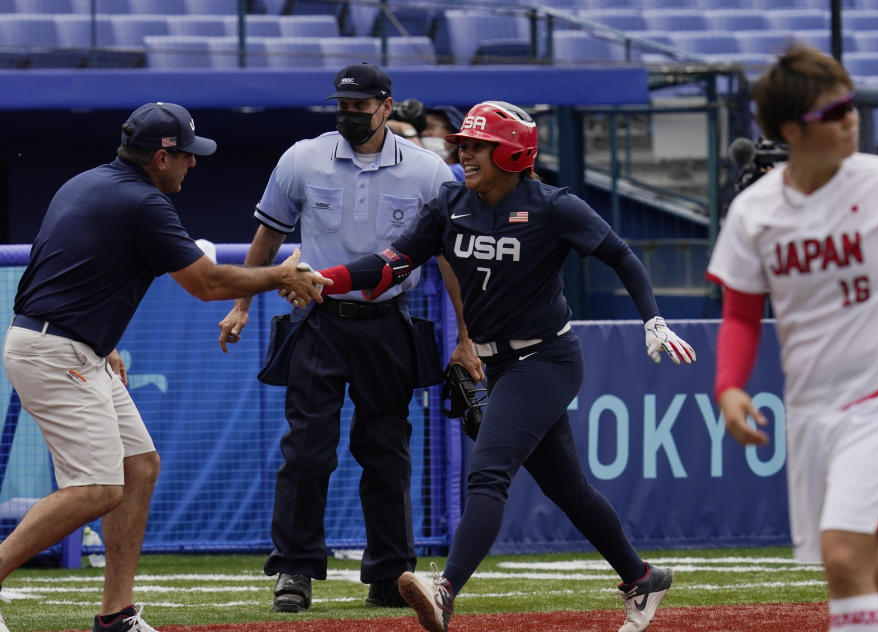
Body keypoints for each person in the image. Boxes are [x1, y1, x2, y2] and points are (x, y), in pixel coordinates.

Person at [308, 100, 697, 632]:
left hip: (547, 358)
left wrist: (652, 320)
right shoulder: (451, 202)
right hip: (499, 362)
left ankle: (445, 591)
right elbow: (392, 262)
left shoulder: (554, 207)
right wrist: (325, 278)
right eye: (463, 144)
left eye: (476, 145)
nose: (463, 153)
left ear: (512, 152)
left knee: (488, 473)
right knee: (570, 491)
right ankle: (641, 578)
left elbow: (622, 255)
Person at [0, 102, 329, 632]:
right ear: (160, 157)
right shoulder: (142, 202)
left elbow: (56, 267)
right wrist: (281, 275)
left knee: (138, 467)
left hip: (67, 343)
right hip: (54, 349)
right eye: (186, 155)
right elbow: (208, 285)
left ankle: (116, 615)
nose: (192, 164)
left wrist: (102, 341)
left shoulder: (89, 182)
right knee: (97, 489)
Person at [707, 46, 878, 632]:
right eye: (835, 111)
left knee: (842, 558)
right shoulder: (754, 212)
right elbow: (742, 316)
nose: (852, 118)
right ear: (792, 130)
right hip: (812, 410)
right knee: (867, 566)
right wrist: (729, 387)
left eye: (851, 104)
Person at [216, 62, 479, 613]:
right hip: (318, 319)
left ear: (386, 105)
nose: (349, 115)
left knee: (387, 451)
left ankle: (390, 572)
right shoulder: (302, 158)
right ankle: (294, 571)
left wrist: (466, 337)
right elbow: (268, 235)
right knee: (306, 451)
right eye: (342, 105)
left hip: (387, 322)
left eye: (360, 106)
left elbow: (452, 259)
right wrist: (242, 303)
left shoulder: (431, 172)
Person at [387, 100, 466, 181]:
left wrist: (407, 130)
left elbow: (426, 171)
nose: (423, 133)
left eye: (431, 127)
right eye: (422, 129)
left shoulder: (462, 173)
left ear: (455, 139)